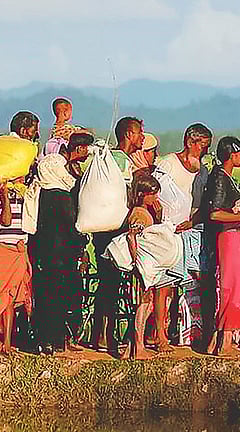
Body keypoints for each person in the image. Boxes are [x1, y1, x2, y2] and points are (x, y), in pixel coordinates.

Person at [90, 116, 146, 356]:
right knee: (111, 284)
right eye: (139, 133)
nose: (142, 138)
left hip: (104, 229)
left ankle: (101, 334)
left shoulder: (110, 158)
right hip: (113, 231)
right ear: (129, 135)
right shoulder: (121, 161)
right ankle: (105, 335)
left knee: (108, 283)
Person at [33, 132, 93, 354]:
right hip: (61, 256)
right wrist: (82, 247)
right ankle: (57, 340)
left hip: (50, 255)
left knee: (49, 296)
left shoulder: (43, 195)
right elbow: (72, 225)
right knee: (60, 297)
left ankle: (51, 341)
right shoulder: (61, 196)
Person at [156, 123, 213, 347]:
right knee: (164, 284)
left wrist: (192, 222)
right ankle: (159, 333)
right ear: (190, 142)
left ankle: (185, 330)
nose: (204, 150)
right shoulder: (168, 164)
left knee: (192, 283)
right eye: (202, 145)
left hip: (192, 231)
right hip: (168, 231)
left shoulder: (203, 170)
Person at [205, 136, 240, 356]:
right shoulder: (220, 177)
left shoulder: (225, 177)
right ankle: (225, 342)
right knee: (231, 287)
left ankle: (218, 340)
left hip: (235, 236)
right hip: (230, 236)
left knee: (234, 286)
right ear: (233, 155)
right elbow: (215, 214)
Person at [0, 173, 32, 357]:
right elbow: (6, 220)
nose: (22, 179)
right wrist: (4, 196)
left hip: (19, 251)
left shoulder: (23, 196)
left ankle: (7, 343)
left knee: (10, 298)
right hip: (3, 251)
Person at [125, 173, 176, 359]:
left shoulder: (143, 212)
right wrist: (136, 261)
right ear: (142, 194)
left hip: (143, 266)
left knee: (144, 303)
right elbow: (132, 236)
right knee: (143, 304)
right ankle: (138, 347)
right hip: (142, 267)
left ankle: (131, 348)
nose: (156, 198)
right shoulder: (139, 214)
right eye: (152, 194)